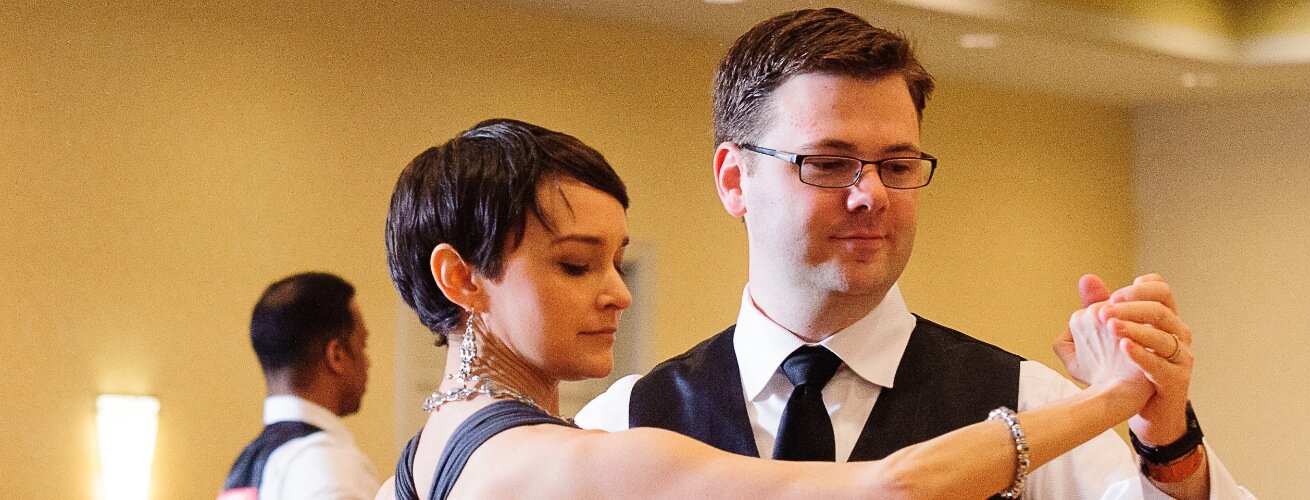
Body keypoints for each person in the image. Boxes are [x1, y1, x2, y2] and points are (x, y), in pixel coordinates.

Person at [575, 8, 1255, 499]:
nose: (871, 195)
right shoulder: (623, 423)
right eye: (829, 164)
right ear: (734, 180)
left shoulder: (1029, 402)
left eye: (897, 166)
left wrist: (1164, 436)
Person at [376, 118, 1163, 500]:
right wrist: (1113, 398)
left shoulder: (421, 461)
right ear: (461, 278)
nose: (618, 291)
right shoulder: (559, 462)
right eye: (576, 264)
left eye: (617, 260)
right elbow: (892, 488)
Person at [221, 272, 380, 500]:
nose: (368, 363)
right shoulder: (327, 467)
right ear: (336, 356)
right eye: (362, 345)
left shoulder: (245, 467)